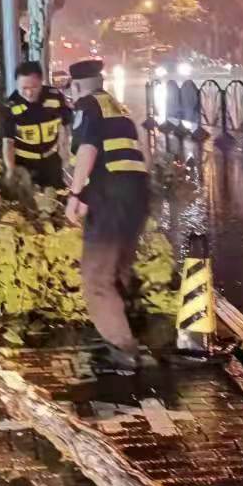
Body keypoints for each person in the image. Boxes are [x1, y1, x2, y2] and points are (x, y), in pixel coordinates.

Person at [64, 59, 153, 374]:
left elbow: (87, 150)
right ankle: (126, 337)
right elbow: (135, 157)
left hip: (111, 199)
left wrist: (75, 195)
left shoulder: (87, 105)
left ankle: (123, 351)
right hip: (137, 196)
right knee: (118, 272)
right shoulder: (119, 108)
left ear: (77, 86)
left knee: (97, 278)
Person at [0, 60, 71, 190]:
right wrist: (10, 169)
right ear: (17, 84)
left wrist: (65, 152)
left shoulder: (55, 97)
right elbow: (8, 142)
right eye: (24, 88)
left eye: (34, 87)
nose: (29, 93)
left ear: (41, 81)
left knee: (57, 196)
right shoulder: (11, 106)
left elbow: (66, 125)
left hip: (51, 161)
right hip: (25, 165)